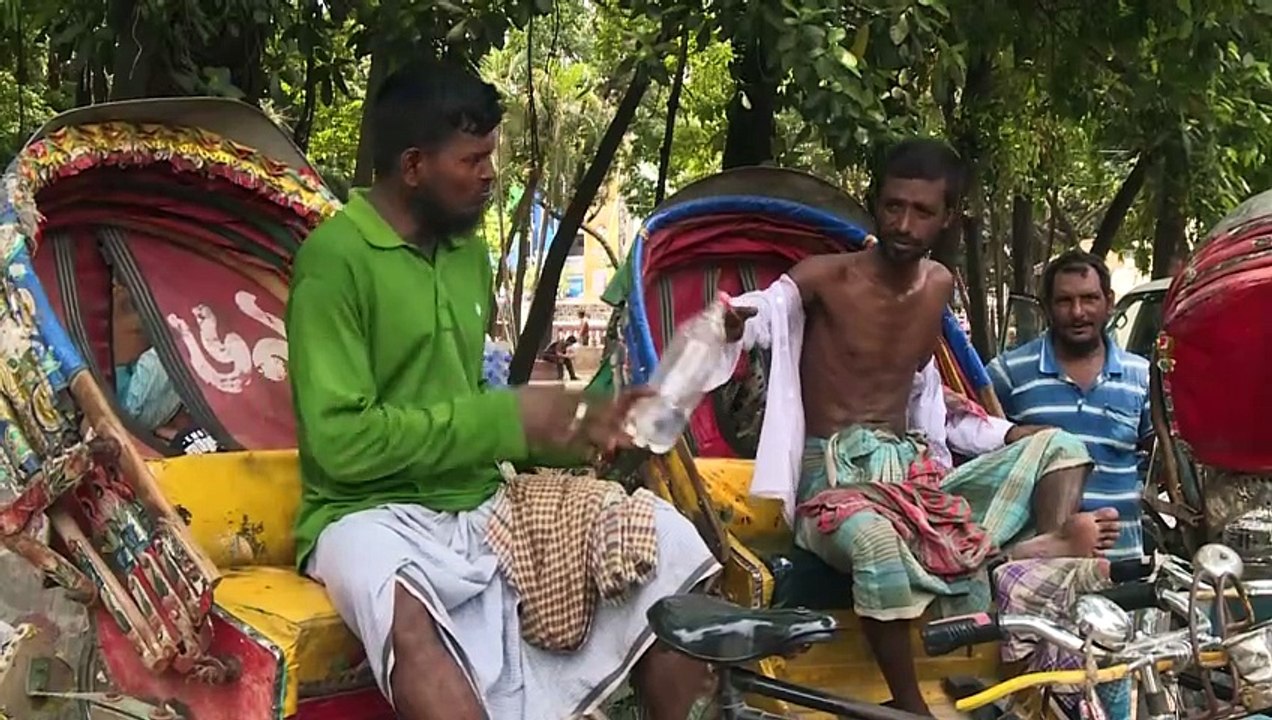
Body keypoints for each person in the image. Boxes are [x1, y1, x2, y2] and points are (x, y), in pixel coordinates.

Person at [285, 60, 718, 720]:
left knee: (665, 543)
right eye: (473, 159)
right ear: (413, 166)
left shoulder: (468, 255)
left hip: (479, 501)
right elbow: (340, 444)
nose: (490, 174)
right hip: (361, 514)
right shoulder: (333, 259)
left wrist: (587, 425)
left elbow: (481, 416)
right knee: (406, 610)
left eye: (491, 155)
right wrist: (510, 419)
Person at [711, 139, 1118, 715]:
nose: (904, 224)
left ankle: (1033, 562)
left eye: (922, 211)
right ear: (875, 203)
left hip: (914, 476)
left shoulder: (938, 286)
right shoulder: (825, 276)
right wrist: (733, 323)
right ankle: (909, 707)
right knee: (876, 541)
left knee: (1061, 445)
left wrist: (1006, 435)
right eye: (893, 206)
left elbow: (931, 398)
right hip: (834, 481)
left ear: (947, 217)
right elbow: (764, 312)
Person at [988, 250, 1153, 561]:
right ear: (1047, 307)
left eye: (1089, 298)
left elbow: (1160, 464)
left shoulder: (1141, 376)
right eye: (1064, 301)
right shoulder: (1008, 374)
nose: (1078, 312)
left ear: (1109, 302)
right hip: (1038, 568)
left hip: (1121, 567)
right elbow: (981, 449)